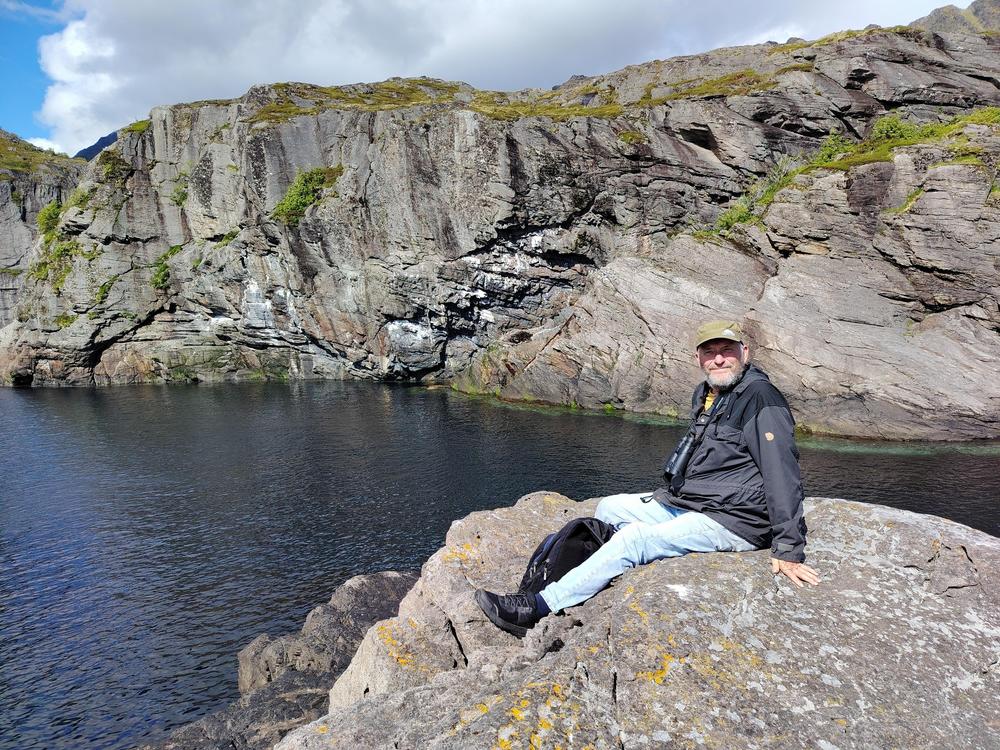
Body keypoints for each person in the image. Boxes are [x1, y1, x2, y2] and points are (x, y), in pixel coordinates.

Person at [475, 320, 821, 637]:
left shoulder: (760, 397)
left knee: (635, 540)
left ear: (744, 352)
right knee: (608, 508)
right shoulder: (708, 394)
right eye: (710, 352)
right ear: (698, 358)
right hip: (695, 503)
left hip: (735, 519)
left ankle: (538, 608)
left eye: (727, 351)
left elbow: (782, 471)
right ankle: (596, 569)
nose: (719, 359)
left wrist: (788, 546)